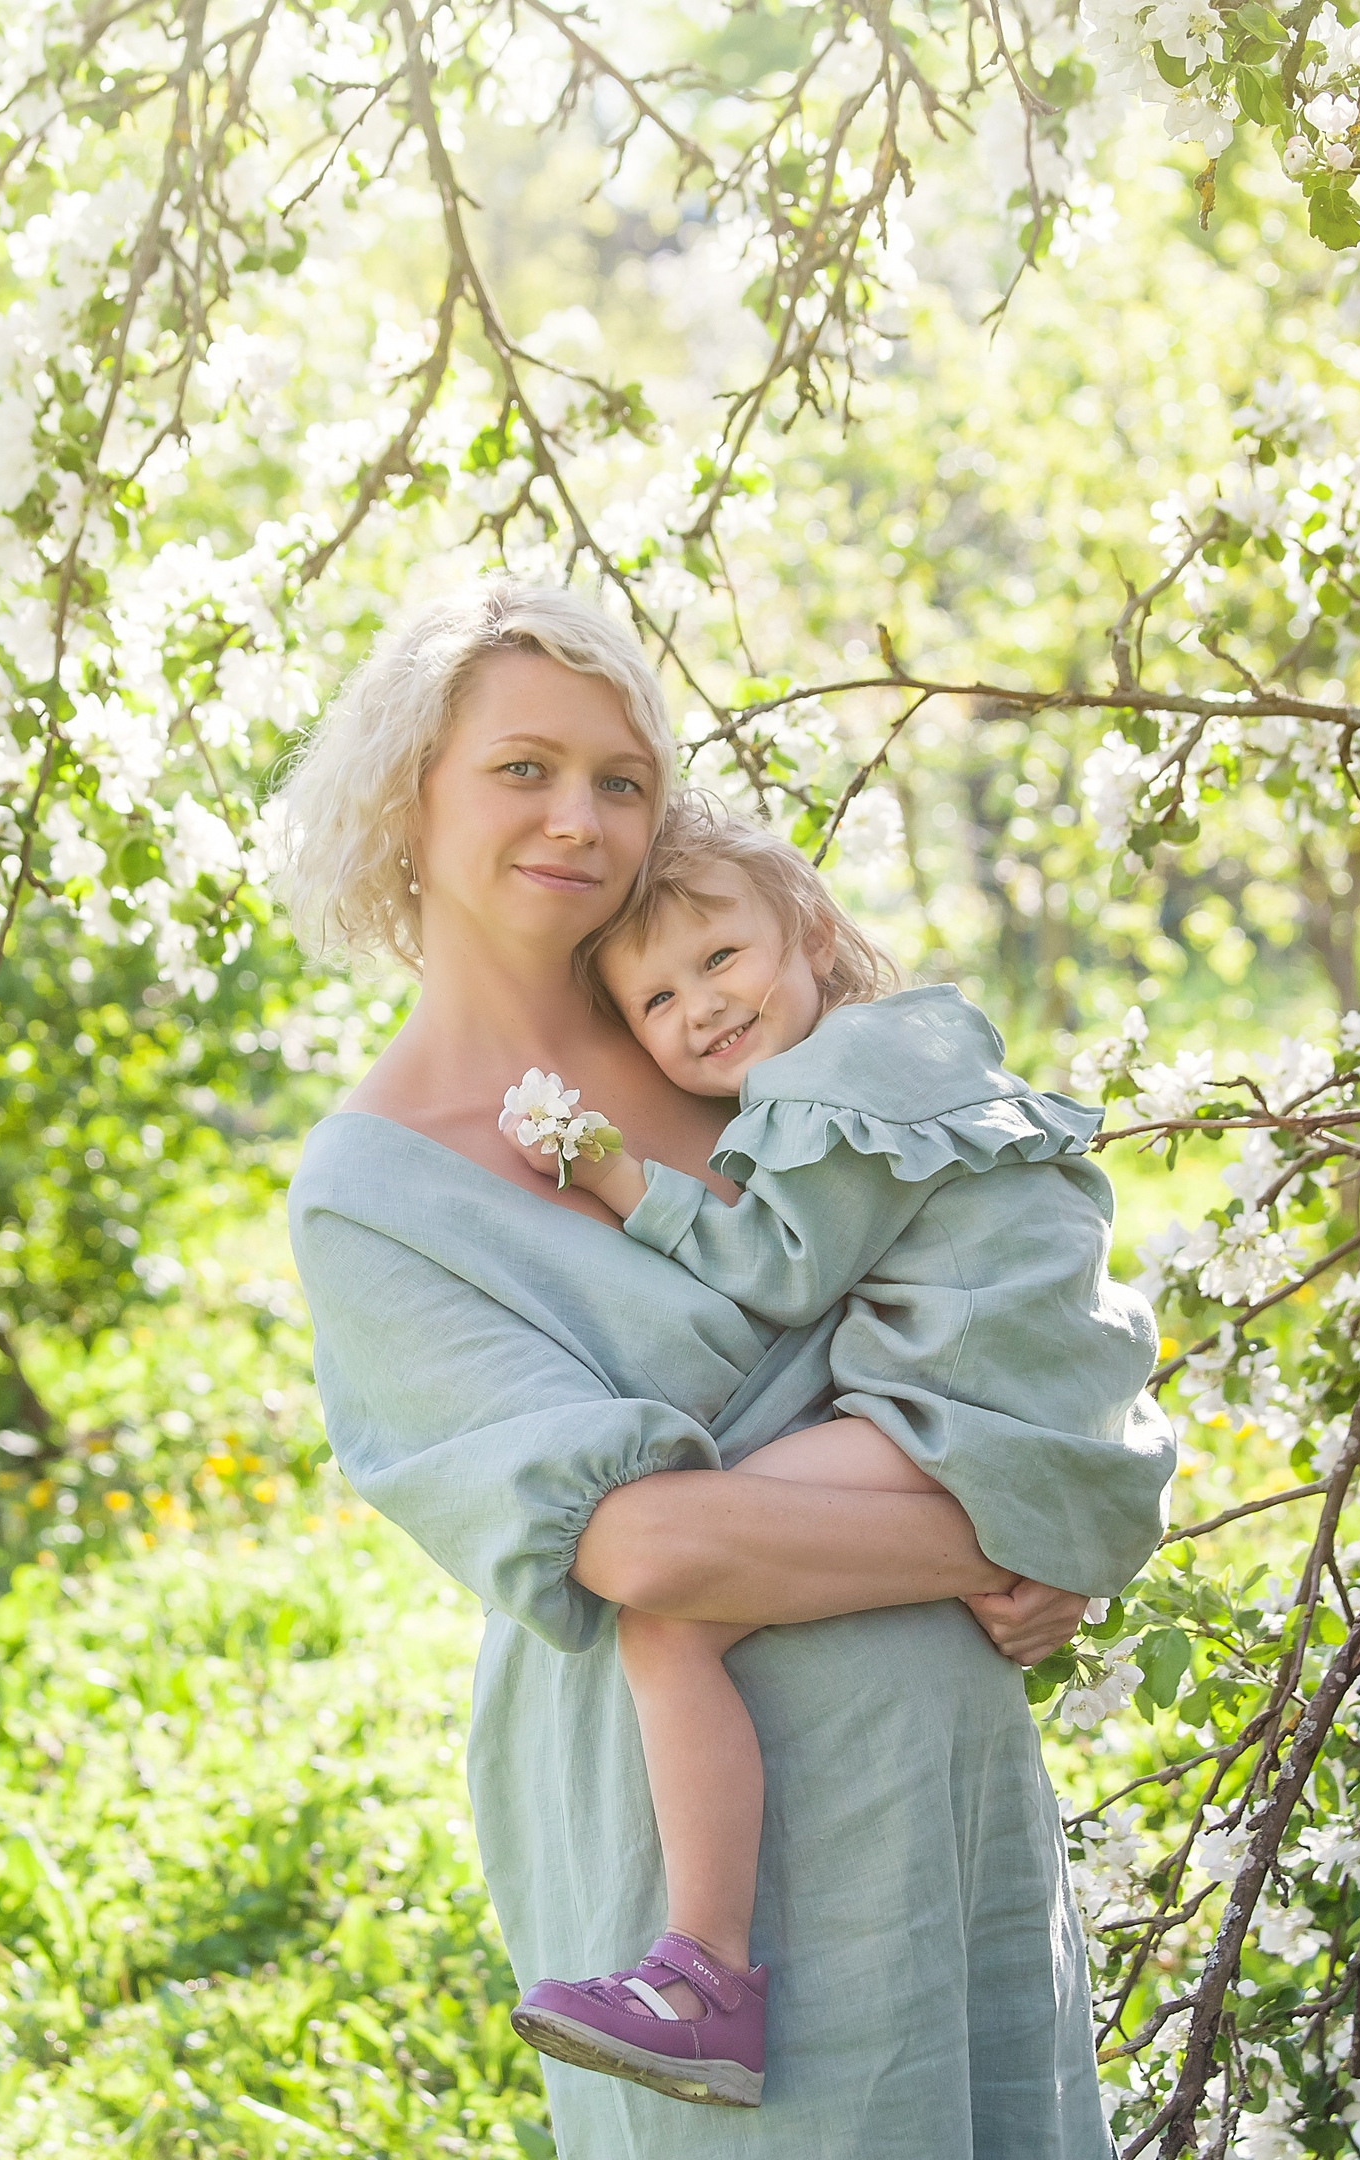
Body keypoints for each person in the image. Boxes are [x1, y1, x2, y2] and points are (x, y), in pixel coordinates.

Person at [279, 578, 1175, 2158]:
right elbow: (642, 1544)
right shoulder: (373, 1194)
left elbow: (1000, 1293)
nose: (581, 817)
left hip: (950, 1797)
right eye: (524, 769)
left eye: (622, 780)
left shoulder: (749, 1036)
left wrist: (1063, 1491)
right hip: (695, 1858)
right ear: (404, 800)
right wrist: (1027, 1517)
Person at [495, 793, 1167, 2107]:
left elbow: (780, 1268)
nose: (700, 1007)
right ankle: (704, 1979)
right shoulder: (917, 1043)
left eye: (721, 958)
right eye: (657, 1000)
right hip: (1019, 1405)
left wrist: (611, 1169)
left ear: (806, 926)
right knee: (692, 1584)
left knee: (670, 1607)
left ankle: (704, 1981)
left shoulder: (830, 1082)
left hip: (962, 1413)